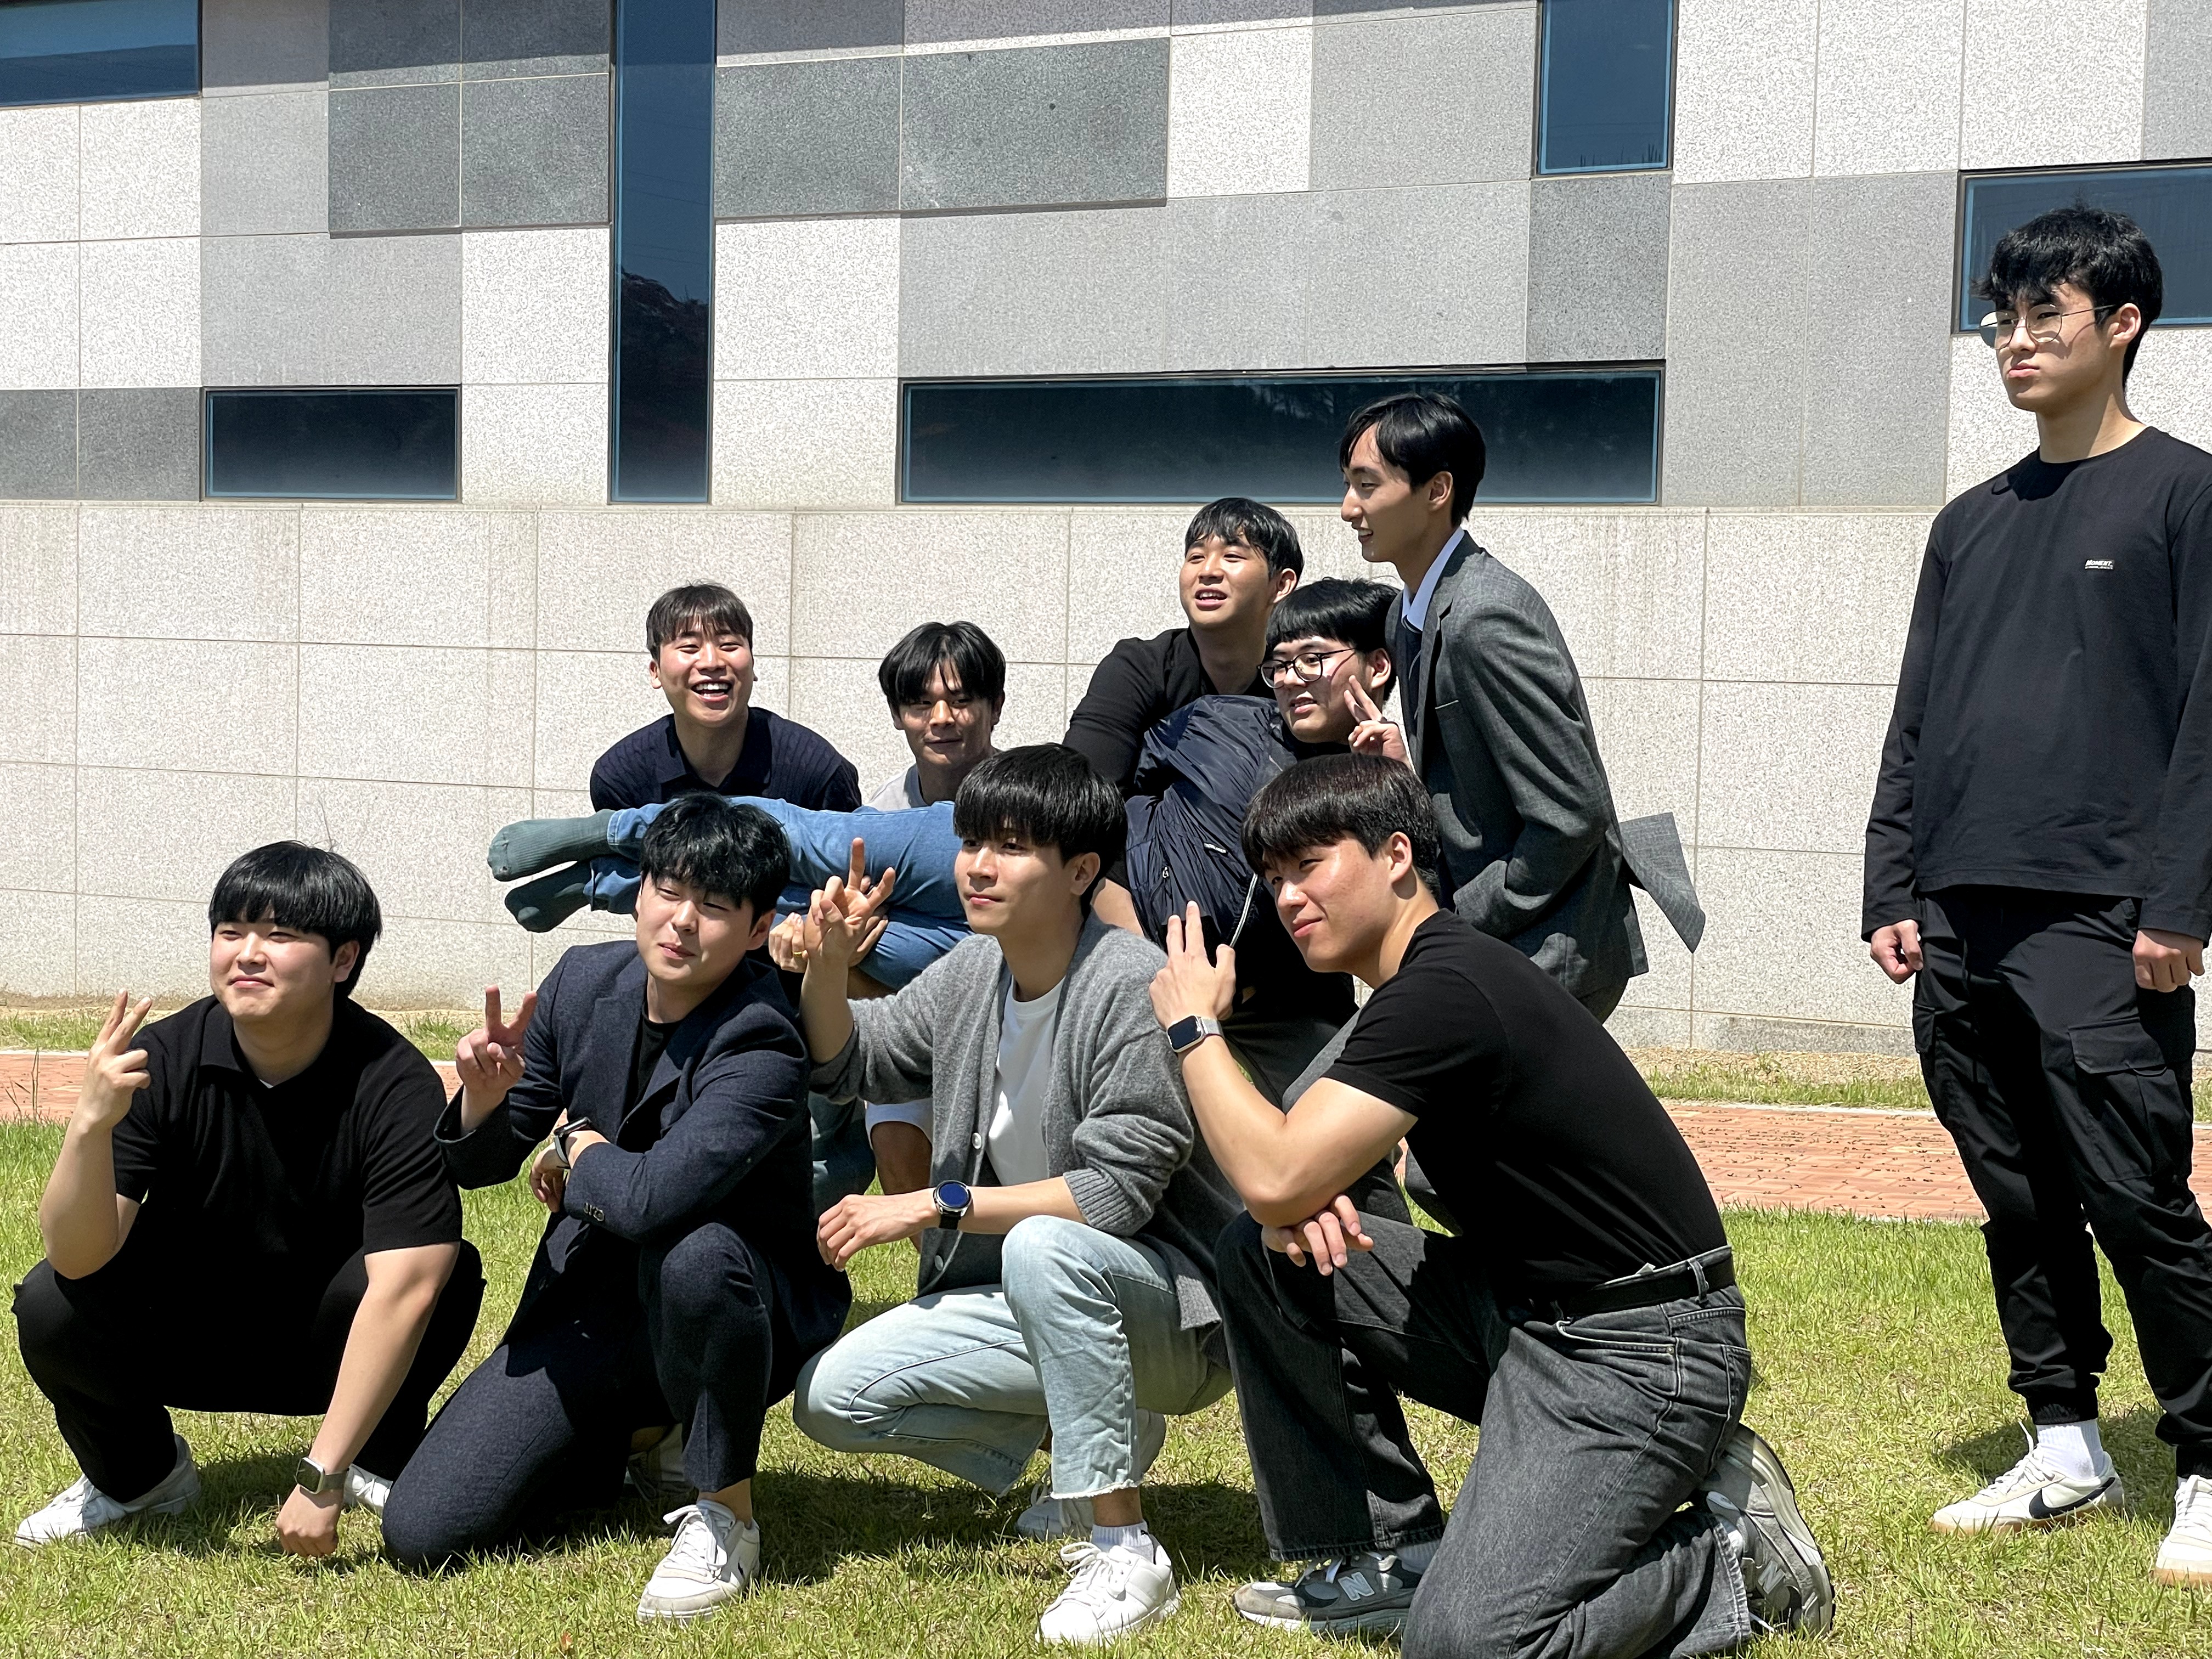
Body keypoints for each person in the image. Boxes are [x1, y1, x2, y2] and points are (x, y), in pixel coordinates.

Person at [1150, 753, 1832, 1650]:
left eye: (1309, 864)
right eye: (1273, 878)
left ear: (1397, 854)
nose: (1287, 896)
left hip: (1642, 1347)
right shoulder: (1417, 988)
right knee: (1261, 1251)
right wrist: (1296, 1198)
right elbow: (1290, 1168)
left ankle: (1730, 1556)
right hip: (1521, 1314)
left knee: (1468, 1645)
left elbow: (1273, 1170)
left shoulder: (1445, 990)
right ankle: (1388, 1553)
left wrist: (1195, 1026)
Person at [1864, 205, 2212, 1585]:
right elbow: (1918, 715)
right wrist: (1893, 880)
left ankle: (2210, 1458)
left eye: (2042, 314)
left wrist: (2180, 904)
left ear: (2122, 324)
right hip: (1959, 914)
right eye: (2001, 317)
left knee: (2137, 1199)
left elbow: (2210, 720)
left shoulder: (2187, 496)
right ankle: (2065, 1444)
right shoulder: (1970, 522)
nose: (2014, 339)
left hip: (2106, 917)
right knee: (2015, 1197)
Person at [788, 746, 1242, 1646]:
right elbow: (857, 1060)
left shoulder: (1128, 984)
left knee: (1042, 1243)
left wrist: (929, 1204)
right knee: (831, 1396)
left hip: (1175, 1318)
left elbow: (1113, 1195)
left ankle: (1124, 1550)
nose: (977, 866)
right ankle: (1094, 1432)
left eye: (1010, 846)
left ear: (1079, 870)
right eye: (971, 842)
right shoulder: (974, 972)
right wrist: (827, 968)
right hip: (1050, 1295)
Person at [381, 797, 850, 1622]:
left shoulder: (762, 1039)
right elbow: (485, 1166)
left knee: (695, 1252)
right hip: (592, 1305)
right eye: (668, 890)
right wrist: (484, 1102)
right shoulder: (580, 984)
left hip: (733, 1305)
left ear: (756, 930)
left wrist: (575, 1144)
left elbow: (649, 1203)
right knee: (424, 1531)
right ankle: (637, 1436)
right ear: (639, 894)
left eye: (714, 906)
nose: (682, 921)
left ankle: (726, 1514)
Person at [13, 843, 483, 1555]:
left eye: (280, 935)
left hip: (330, 1343)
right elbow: (79, 1258)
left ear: (344, 960)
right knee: (52, 1301)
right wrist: (89, 1126)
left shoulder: (393, 1080)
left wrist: (320, 1477)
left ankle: (371, 1459)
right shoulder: (162, 1060)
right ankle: (140, 1477)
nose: (248, 954)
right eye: (231, 932)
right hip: (187, 1333)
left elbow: (407, 1288)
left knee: (440, 1274)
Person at [1344, 392, 1698, 1022]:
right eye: (1348, 485)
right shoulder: (1407, 612)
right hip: (1497, 948)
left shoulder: (1485, 617)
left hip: (1545, 952)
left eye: (1367, 485)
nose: (1349, 508)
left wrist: (1458, 919)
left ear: (1437, 490)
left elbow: (1571, 814)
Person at [1065, 496, 1302, 930]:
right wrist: (1142, 949)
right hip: (1138, 914)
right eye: (1196, 556)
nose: (1207, 571)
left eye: (1232, 556)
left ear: (1281, 584)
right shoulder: (1139, 667)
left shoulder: (1301, 680)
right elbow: (1083, 799)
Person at [589, 582, 861, 817]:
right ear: (655, 671)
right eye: (689, 647)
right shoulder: (622, 778)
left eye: (729, 645)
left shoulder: (817, 770)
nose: (712, 662)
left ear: (753, 665)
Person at [871, 619, 1006, 809]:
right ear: (895, 713)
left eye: (960, 701)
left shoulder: (1037, 802)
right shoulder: (882, 813)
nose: (942, 718)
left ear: (996, 707)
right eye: (922, 703)